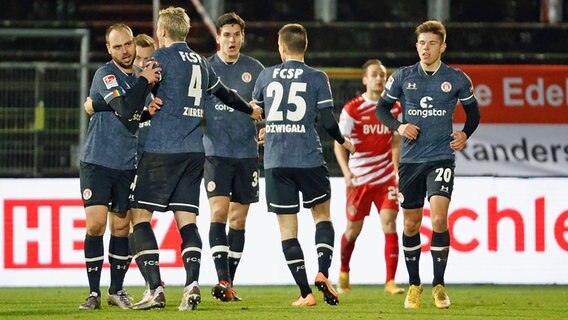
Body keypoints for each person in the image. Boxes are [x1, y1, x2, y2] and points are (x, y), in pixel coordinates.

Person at [129, 6, 262, 311]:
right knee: (187, 221)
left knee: (139, 217)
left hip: (162, 149)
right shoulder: (201, 62)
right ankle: (191, 285)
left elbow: (139, 96)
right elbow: (226, 93)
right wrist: (250, 110)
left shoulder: (159, 59)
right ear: (186, 32)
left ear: (162, 32)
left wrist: (142, 103)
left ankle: (154, 289)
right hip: (194, 152)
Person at [375, 20, 480, 309]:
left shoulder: (457, 78)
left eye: (432, 43)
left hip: (440, 157)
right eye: (422, 43)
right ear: (417, 45)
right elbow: (381, 109)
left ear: (442, 46)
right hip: (410, 160)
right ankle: (414, 284)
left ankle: (439, 285)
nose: (426, 48)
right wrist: (399, 126)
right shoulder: (403, 76)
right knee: (410, 223)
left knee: (438, 219)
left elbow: (474, 114)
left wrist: (464, 133)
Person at [252, 23, 355, 307]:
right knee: (322, 217)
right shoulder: (317, 77)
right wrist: (343, 141)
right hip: (308, 158)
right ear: (304, 46)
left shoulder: (265, 75)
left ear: (281, 46)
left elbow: (255, 111)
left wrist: (268, 128)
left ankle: (305, 293)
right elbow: (327, 119)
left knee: (288, 230)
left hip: (276, 162)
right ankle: (323, 271)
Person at [78, 23, 161, 310]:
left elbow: (135, 117)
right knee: (96, 224)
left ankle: (116, 289)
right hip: (98, 160)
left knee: (121, 227)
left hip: (127, 163)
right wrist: (145, 84)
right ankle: (93, 293)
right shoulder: (106, 74)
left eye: (127, 44)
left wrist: (147, 111)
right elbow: (126, 110)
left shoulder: (140, 78)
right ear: (108, 49)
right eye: (118, 46)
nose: (125, 51)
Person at [203, 12, 265, 302]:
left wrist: (265, 129)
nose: (231, 40)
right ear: (217, 38)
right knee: (218, 213)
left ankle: (229, 285)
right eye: (226, 35)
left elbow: (267, 108)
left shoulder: (255, 69)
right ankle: (222, 279)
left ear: (242, 37)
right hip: (216, 153)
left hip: (246, 153)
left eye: (236, 35)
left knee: (238, 220)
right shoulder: (204, 68)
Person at [334, 59, 405, 296]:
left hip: (385, 178)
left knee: (389, 223)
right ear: (365, 79)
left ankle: (390, 282)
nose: (379, 78)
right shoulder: (353, 108)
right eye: (374, 74)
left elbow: (396, 141)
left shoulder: (394, 108)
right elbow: (339, 144)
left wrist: (395, 170)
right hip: (360, 179)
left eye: (382, 75)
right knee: (353, 231)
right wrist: (346, 173)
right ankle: (343, 271)